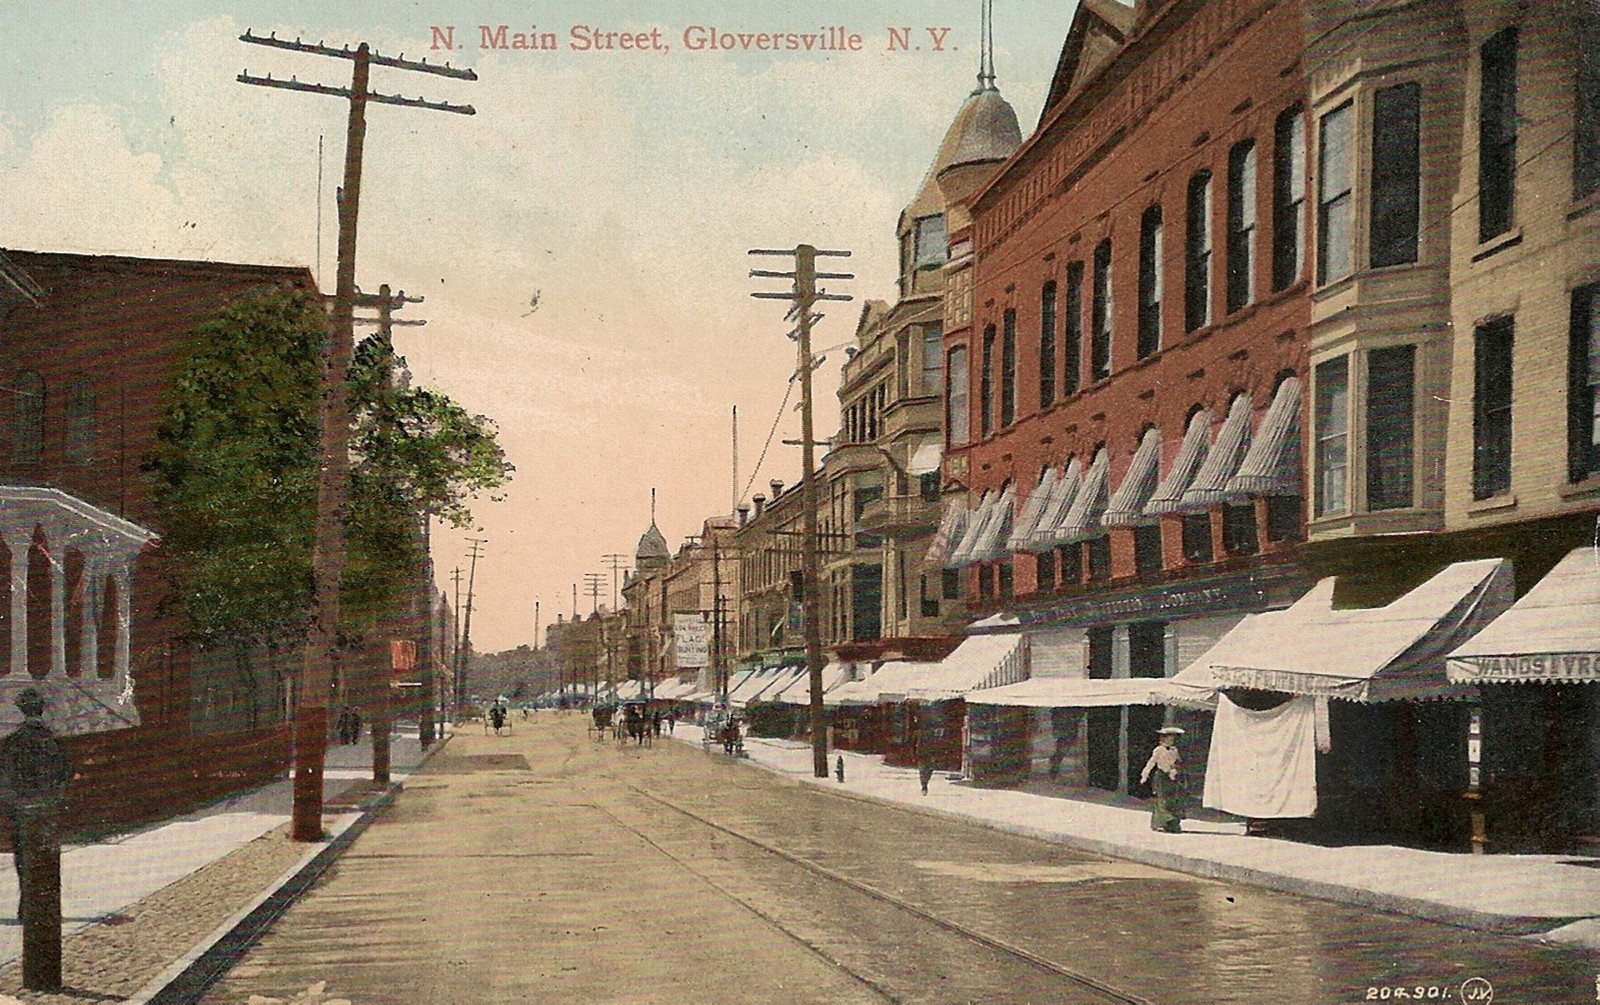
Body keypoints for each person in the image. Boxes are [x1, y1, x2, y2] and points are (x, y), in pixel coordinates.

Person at [1139, 726, 1185, 833]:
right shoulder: (1158, 750)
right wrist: (1145, 774)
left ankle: (1169, 823)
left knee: (1171, 799)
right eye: (1169, 738)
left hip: (1172, 777)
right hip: (1161, 777)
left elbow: (1177, 762)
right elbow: (1152, 762)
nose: (1171, 741)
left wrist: (1175, 769)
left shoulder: (1174, 750)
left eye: (1172, 739)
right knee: (1162, 799)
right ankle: (1167, 822)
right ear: (1163, 739)